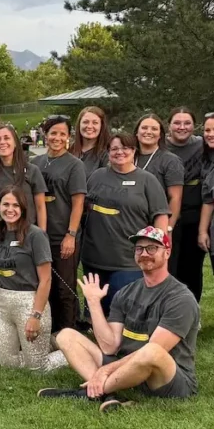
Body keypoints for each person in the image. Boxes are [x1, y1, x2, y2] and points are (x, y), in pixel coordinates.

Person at [39, 227, 199, 410]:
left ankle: (90, 391)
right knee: (66, 335)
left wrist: (105, 370)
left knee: (152, 351)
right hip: (128, 371)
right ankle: (107, 393)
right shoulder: (126, 293)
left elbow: (156, 351)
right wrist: (93, 302)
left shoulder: (180, 298)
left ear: (167, 253)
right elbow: (110, 346)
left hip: (166, 379)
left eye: (152, 248)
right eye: (139, 249)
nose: (144, 253)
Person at [82, 133, 169, 316]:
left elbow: (161, 215)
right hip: (94, 258)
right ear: (108, 152)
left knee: (122, 313)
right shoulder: (97, 176)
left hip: (128, 260)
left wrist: (158, 247)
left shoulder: (147, 180)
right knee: (96, 312)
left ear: (134, 150)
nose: (120, 152)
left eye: (125, 148)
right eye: (114, 148)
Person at [0, 186, 66, 371]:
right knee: (6, 363)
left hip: (30, 302)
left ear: (23, 208)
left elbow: (46, 280)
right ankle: (47, 344)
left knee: (38, 368)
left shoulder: (36, 235)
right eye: (6, 204)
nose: (10, 209)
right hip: (2, 303)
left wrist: (35, 315)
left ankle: (72, 350)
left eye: (16, 205)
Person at [31, 115, 86, 333]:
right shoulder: (36, 163)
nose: (57, 138)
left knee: (64, 287)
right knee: (44, 284)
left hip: (62, 235)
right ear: (45, 135)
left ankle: (68, 332)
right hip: (39, 234)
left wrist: (71, 234)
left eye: (62, 134)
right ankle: (48, 329)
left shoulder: (74, 165)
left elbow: (78, 203)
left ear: (68, 136)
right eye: (53, 133)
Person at [165, 107, 205, 302]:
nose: (182, 127)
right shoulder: (160, 146)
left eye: (187, 123)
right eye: (177, 123)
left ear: (194, 126)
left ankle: (191, 309)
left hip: (193, 215)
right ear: (169, 125)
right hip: (165, 214)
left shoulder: (202, 144)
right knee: (167, 265)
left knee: (192, 267)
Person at [0, 124, 47, 235]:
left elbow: (40, 206)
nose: (2, 142)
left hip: (26, 233)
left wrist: (42, 235)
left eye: (6, 138)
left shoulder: (32, 170)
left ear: (15, 143)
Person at [134, 114, 183, 243]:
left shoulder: (171, 161)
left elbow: (175, 198)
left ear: (160, 135)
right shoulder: (128, 157)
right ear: (136, 133)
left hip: (157, 227)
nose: (148, 132)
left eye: (154, 129)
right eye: (144, 128)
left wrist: (167, 229)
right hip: (131, 224)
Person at [69, 106, 110, 180]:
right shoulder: (69, 150)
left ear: (101, 126)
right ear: (79, 124)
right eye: (85, 122)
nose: (89, 126)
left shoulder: (108, 153)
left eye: (95, 123)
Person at [198, 113, 214, 271]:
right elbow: (208, 200)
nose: (210, 134)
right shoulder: (207, 161)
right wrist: (203, 231)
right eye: (208, 130)